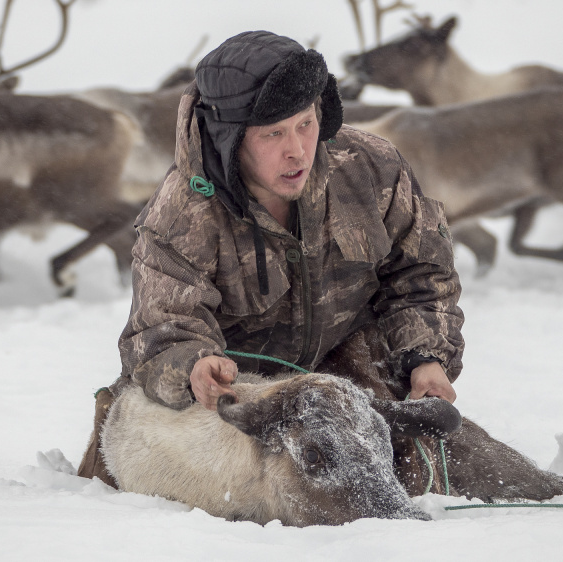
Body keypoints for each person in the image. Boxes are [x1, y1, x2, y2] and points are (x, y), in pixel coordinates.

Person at [78, 30, 464, 482]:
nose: (297, 149)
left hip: (345, 380)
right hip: (231, 402)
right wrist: (195, 365)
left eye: (306, 123)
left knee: (437, 469)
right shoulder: (181, 214)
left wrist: (425, 358)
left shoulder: (371, 167)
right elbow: (162, 331)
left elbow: (421, 274)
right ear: (230, 139)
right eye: (273, 134)